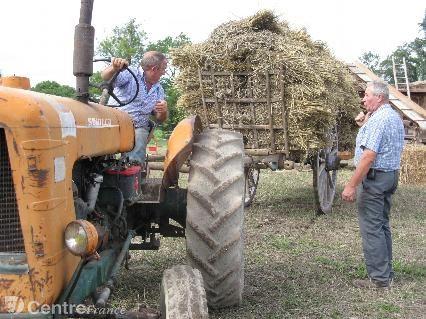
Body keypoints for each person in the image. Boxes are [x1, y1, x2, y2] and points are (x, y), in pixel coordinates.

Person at [342, 80, 404, 289]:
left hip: (375, 179)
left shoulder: (380, 120)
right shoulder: (392, 116)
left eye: (367, 95)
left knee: (372, 228)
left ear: (379, 97)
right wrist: (365, 123)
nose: (363, 98)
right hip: (389, 176)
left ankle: (379, 280)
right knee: (382, 225)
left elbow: (368, 156)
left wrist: (351, 185)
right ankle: (386, 274)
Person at [101, 51, 168, 163]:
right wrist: (114, 67)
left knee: (140, 135)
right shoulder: (131, 73)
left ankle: (133, 172)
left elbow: (159, 118)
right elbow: (106, 77)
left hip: (138, 127)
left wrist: (163, 111)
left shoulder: (159, 89)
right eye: (163, 68)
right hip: (115, 123)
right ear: (154, 69)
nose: (164, 72)